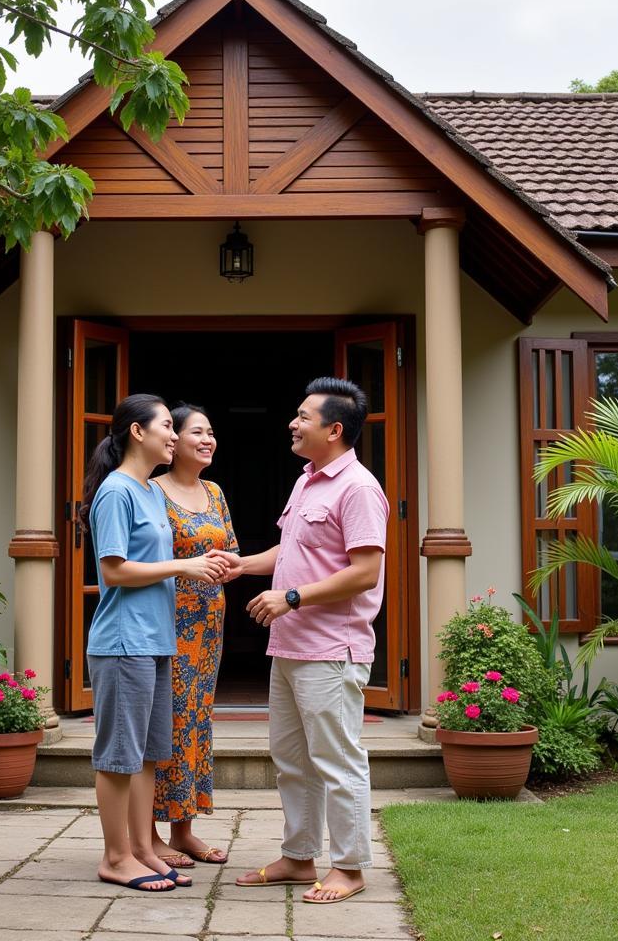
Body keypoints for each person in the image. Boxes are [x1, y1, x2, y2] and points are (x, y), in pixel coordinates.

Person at [228, 377, 389, 905]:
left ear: (334, 429)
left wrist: (291, 598)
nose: (292, 424)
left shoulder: (359, 488)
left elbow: (365, 572)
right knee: (292, 759)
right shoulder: (307, 480)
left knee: (338, 761)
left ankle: (349, 867)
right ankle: (299, 858)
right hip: (290, 645)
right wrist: (244, 565)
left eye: (302, 417)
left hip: (331, 648)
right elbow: (291, 547)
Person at [81, 394, 231, 893]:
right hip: (123, 642)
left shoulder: (147, 492)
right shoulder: (116, 492)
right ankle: (115, 856)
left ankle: (143, 850)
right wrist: (183, 566)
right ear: (137, 432)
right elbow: (113, 569)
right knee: (118, 756)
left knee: (148, 755)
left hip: (158, 641)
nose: (175, 435)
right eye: (168, 426)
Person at [150, 403, 239, 869]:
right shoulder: (151, 491)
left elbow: (231, 548)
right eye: (196, 432)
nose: (207, 440)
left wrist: (225, 566)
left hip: (209, 626)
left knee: (196, 721)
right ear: (174, 441)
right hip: (165, 622)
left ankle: (183, 830)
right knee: (161, 722)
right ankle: (148, 833)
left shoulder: (215, 491)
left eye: (211, 432)